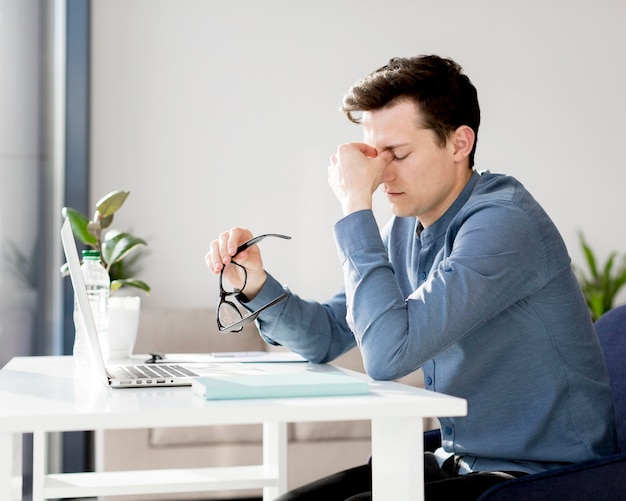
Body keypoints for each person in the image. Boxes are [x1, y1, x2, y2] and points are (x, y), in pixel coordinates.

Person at [205, 55, 617, 501]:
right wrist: (255, 283)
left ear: (459, 144)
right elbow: (327, 335)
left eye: (398, 154)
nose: (381, 176)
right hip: (458, 461)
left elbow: (386, 356)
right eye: (374, 158)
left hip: (540, 479)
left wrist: (354, 205)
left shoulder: (503, 224)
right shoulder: (406, 228)